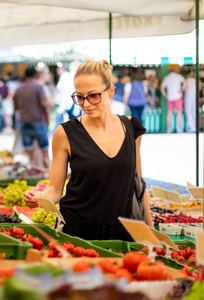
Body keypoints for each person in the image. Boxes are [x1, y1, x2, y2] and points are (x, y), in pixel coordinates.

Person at [23, 59, 152, 241]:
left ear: (111, 91)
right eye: (79, 96)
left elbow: (139, 183)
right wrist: (40, 197)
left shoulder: (132, 128)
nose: (86, 104)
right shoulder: (65, 133)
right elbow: (54, 189)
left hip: (123, 233)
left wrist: (151, 231)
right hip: (78, 232)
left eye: (93, 95)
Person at [13, 67, 50, 169]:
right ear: (35, 75)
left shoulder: (19, 89)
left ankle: (29, 173)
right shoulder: (38, 87)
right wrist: (47, 118)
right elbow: (43, 104)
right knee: (44, 150)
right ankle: (48, 173)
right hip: (38, 121)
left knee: (28, 152)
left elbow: (15, 107)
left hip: (24, 122)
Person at [160, 67, 187, 133]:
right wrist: (182, 89)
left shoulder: (167, 77)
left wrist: (166, 95)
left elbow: (162, 88)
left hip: (170, 97)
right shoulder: (178, 76)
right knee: (179, 113)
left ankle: (169, 129)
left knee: (169, 113)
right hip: (178, 96)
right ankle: (179, 128)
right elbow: (185, 82)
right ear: (176, 71)